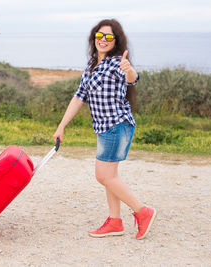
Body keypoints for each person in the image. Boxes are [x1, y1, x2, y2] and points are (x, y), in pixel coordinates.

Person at [53, 19, 156, 240]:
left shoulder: (117, 63)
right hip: (104, 128)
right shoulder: (91, 66)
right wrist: (61, 126)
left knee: (104, 176)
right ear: (94, 38)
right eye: (100, 35)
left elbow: (132, 79)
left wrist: (129, 70)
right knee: (110, 176)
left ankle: (143, 212)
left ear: (116, 41)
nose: (103, 40)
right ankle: (115, 222)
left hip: (116, 125)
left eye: (109, 37)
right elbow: (79, 97)